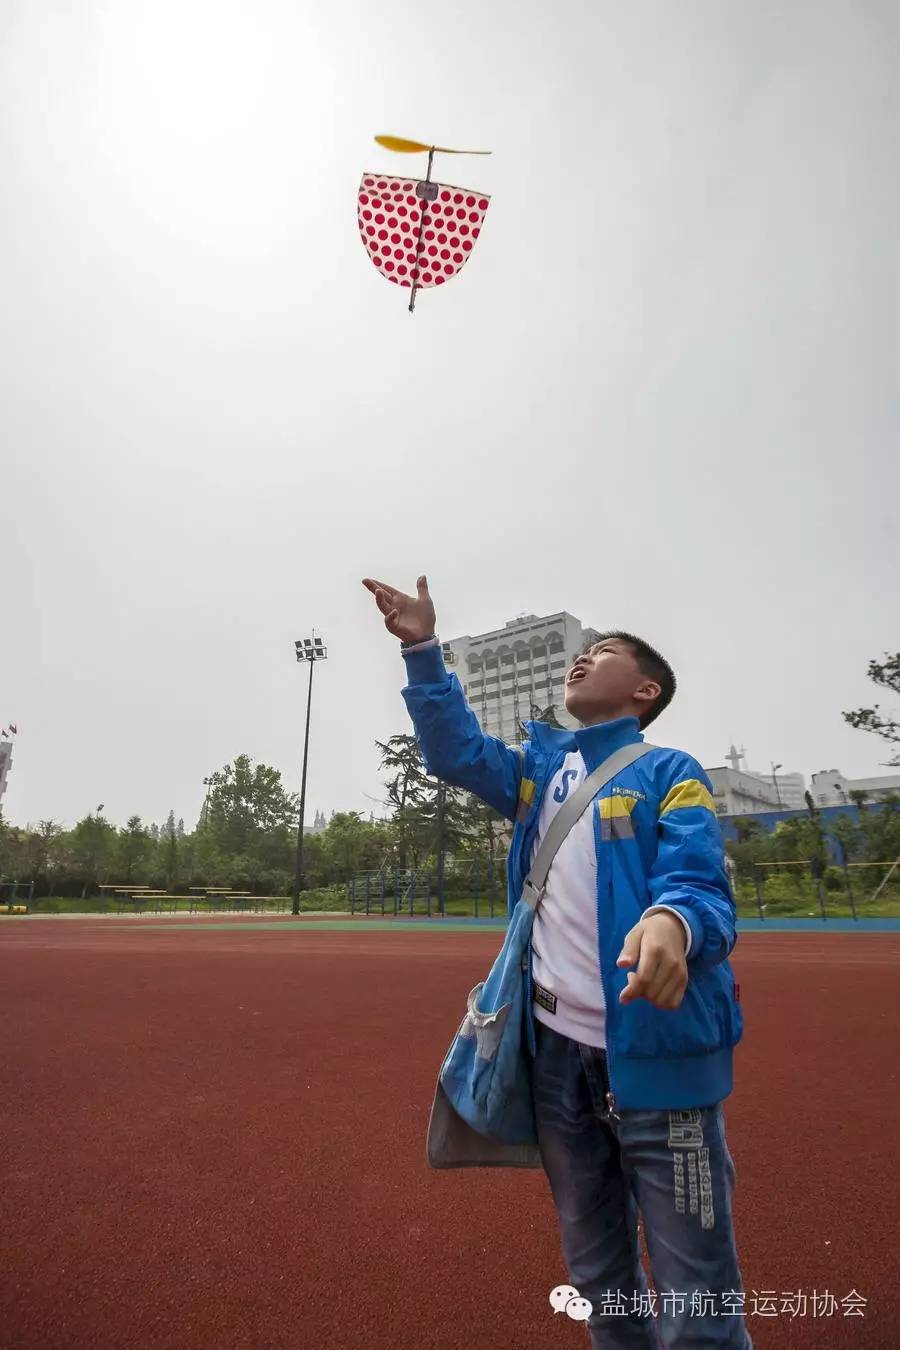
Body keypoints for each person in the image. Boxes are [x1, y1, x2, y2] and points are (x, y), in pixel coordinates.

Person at [363, 575, 749, 1350]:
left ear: (645, 690)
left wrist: (673, 922)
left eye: (602, 653)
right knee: (599, 1278)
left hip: (659, 1064)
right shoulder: (539, 772)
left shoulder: (670, 773)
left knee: (697, 1298)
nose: (581, 660)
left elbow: (700, 883)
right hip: (557, 1069)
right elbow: (455, 750)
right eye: (583, 651)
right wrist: (422, 650)